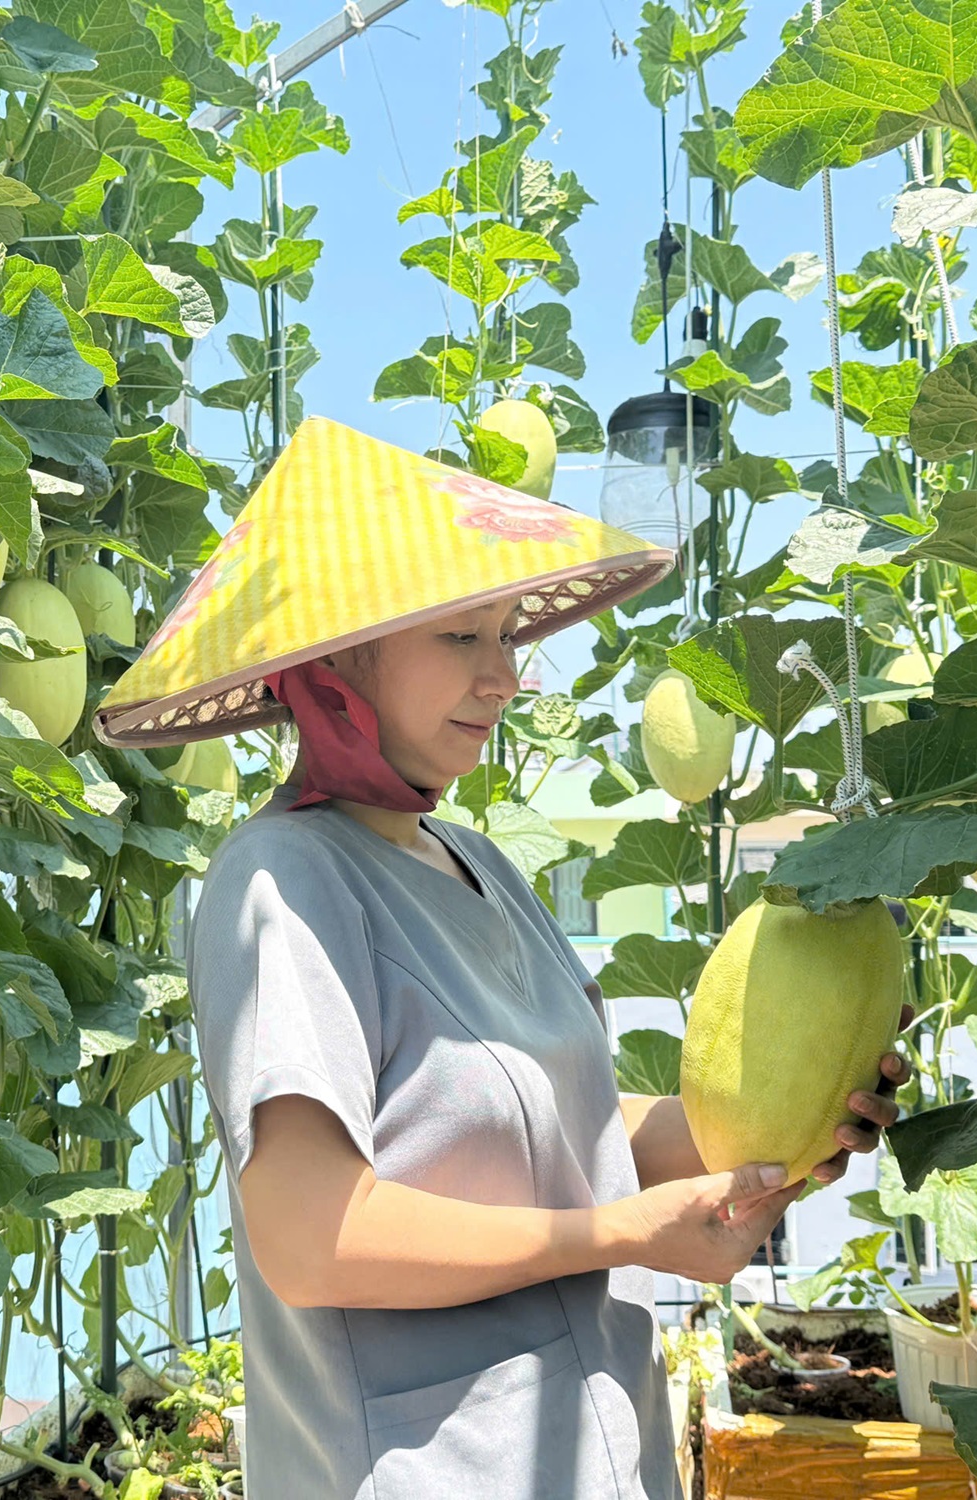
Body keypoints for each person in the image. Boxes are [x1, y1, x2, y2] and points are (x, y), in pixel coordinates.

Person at [92, 419, 909, 1500]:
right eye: (459, 640)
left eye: (506, 636)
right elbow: (309, 1236)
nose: (504, 677)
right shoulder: (281, 878)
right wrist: (624, 1235)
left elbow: (564, 1128)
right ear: (335, 664)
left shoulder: (477, 864)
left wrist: (788, 1128)